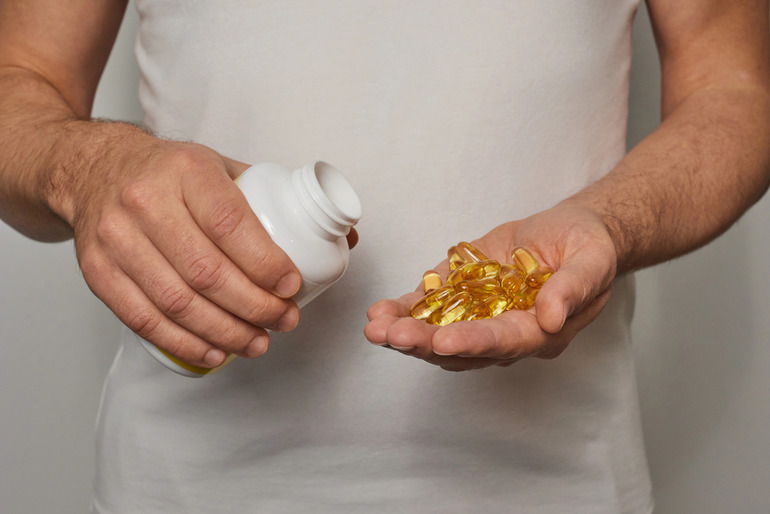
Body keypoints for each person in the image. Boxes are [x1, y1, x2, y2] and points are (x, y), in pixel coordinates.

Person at [1, 0, 768, 512]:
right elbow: (20, 75)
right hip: (183, 486)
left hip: (556, 485)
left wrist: (612, 223)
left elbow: (735, 91)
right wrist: (88, 167)